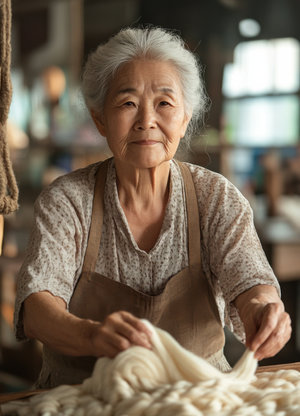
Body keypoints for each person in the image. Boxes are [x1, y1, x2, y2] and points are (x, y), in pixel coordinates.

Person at [14, 27, 291, 388]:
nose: (147, 121)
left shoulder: (216, 198)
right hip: (84, 401)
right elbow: (37, 308)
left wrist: (264, 311)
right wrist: (92, 336)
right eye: (128, 103)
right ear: (100, 119)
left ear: (185, 117)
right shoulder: (68, 200)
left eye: (164, 103)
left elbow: (252, 283)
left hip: (198, 401)